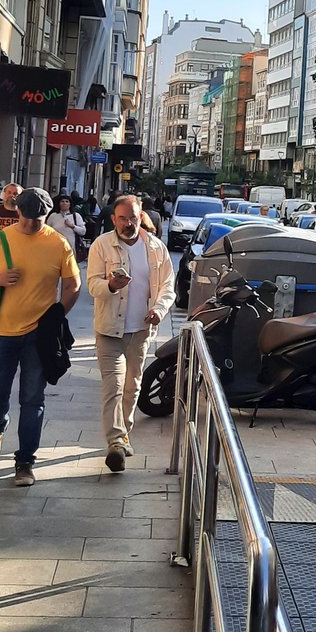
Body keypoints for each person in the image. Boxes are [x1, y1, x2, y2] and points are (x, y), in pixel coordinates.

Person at [0, 188, 81, 487]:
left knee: (33, 398)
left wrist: (57, 315)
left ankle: (25, 461)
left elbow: (73, 284)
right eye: (27, 217)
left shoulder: (58, 243)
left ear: (47, 215)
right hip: (1, 333)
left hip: (38, 336)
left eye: (38, 219)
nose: (31, 223)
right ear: (17, 211)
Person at [87, 194, 175, 472]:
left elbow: (167, 286)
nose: (128, 223)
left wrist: (159, 309)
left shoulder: (156, 248)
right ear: (114, 219)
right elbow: (92, 284)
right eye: (122, 218)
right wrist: (110, 286)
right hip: (109, 329)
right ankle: (115, 441)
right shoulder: (102, 245)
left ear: (141, 217)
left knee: (132, 386)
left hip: (141, 329)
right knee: (113, 386)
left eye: (133, 218)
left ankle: (124, 434)